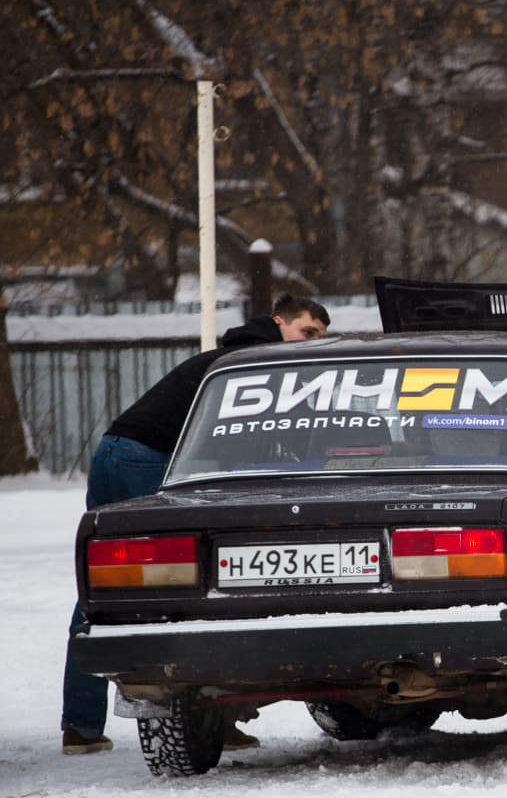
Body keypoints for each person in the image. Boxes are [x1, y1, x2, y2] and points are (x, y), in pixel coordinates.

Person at [61, 294, 330, 755]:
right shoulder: (257, 363)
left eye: (320, 337)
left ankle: (81, 727)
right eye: (306, 332)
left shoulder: (231, 357)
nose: (311, 343)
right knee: (199, 584)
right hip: (147, 460)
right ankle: (211, 716)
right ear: (278, 321)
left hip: (114, 451)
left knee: (106, 588)